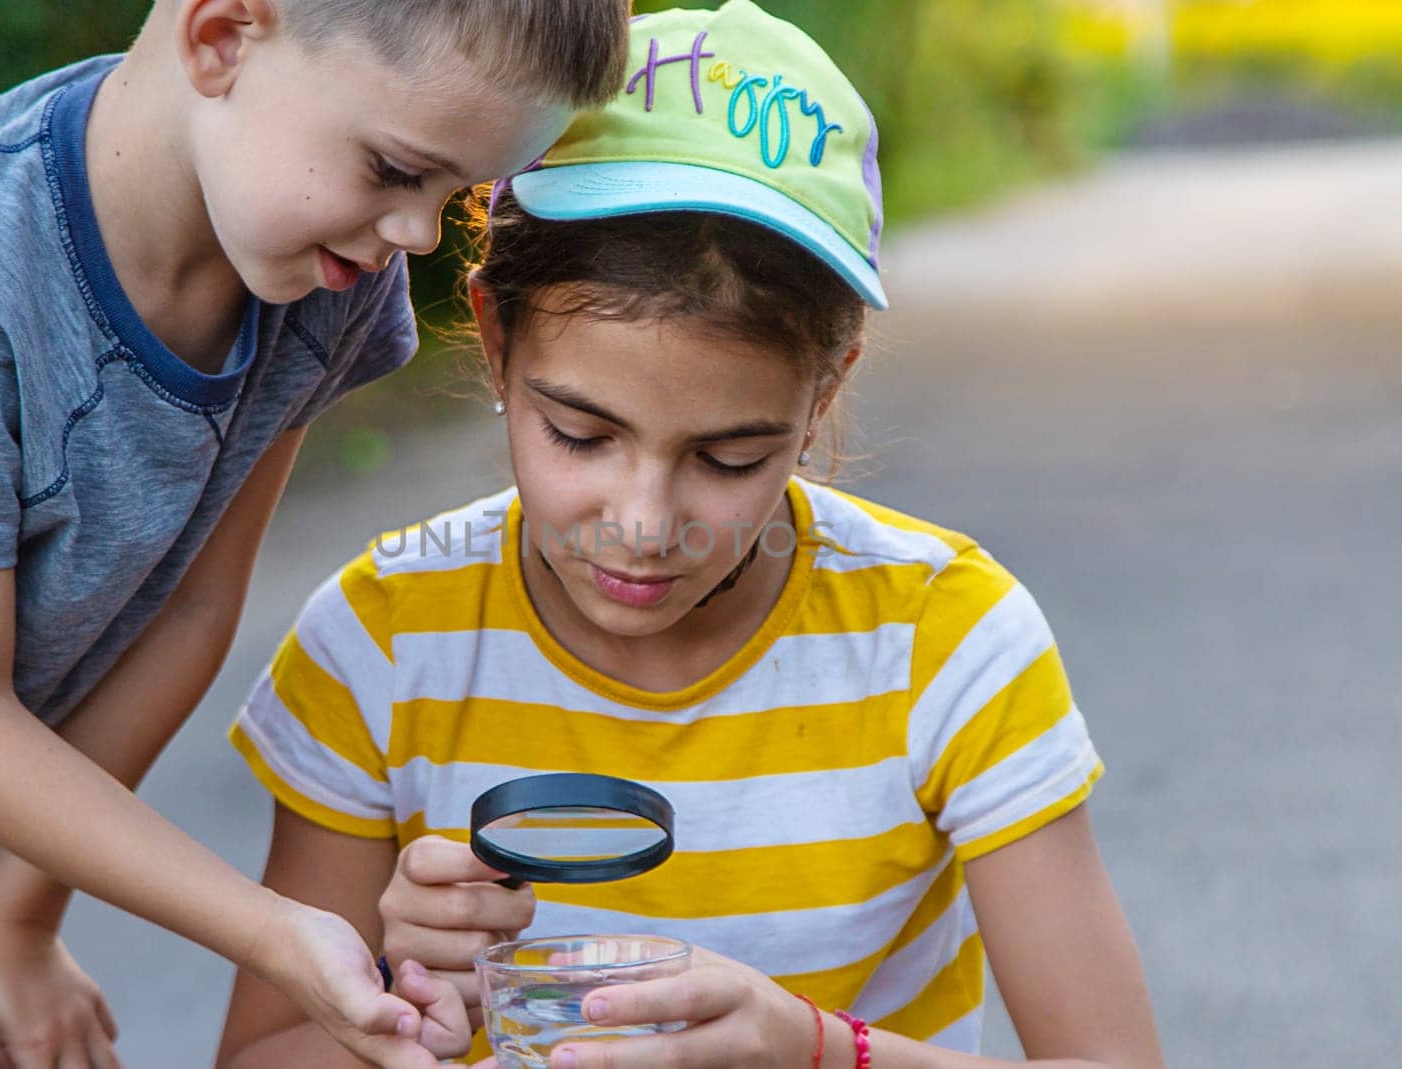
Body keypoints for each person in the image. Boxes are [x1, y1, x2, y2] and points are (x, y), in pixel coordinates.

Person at [220, 2, 1166, 1067]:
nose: (642, 525)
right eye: (580, 433)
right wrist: (392, 1008)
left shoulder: (946, 639)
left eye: (729, 458)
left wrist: (812, 1048)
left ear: (825, 392)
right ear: (493, 338)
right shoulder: (382, 637)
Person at [0, 1, 632, 1067]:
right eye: (391, 170)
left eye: (452, 194)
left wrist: (16, 923)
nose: (418, 237)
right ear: (222, 37)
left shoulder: (323, 281)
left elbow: (190, 604)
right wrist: (270, 929)